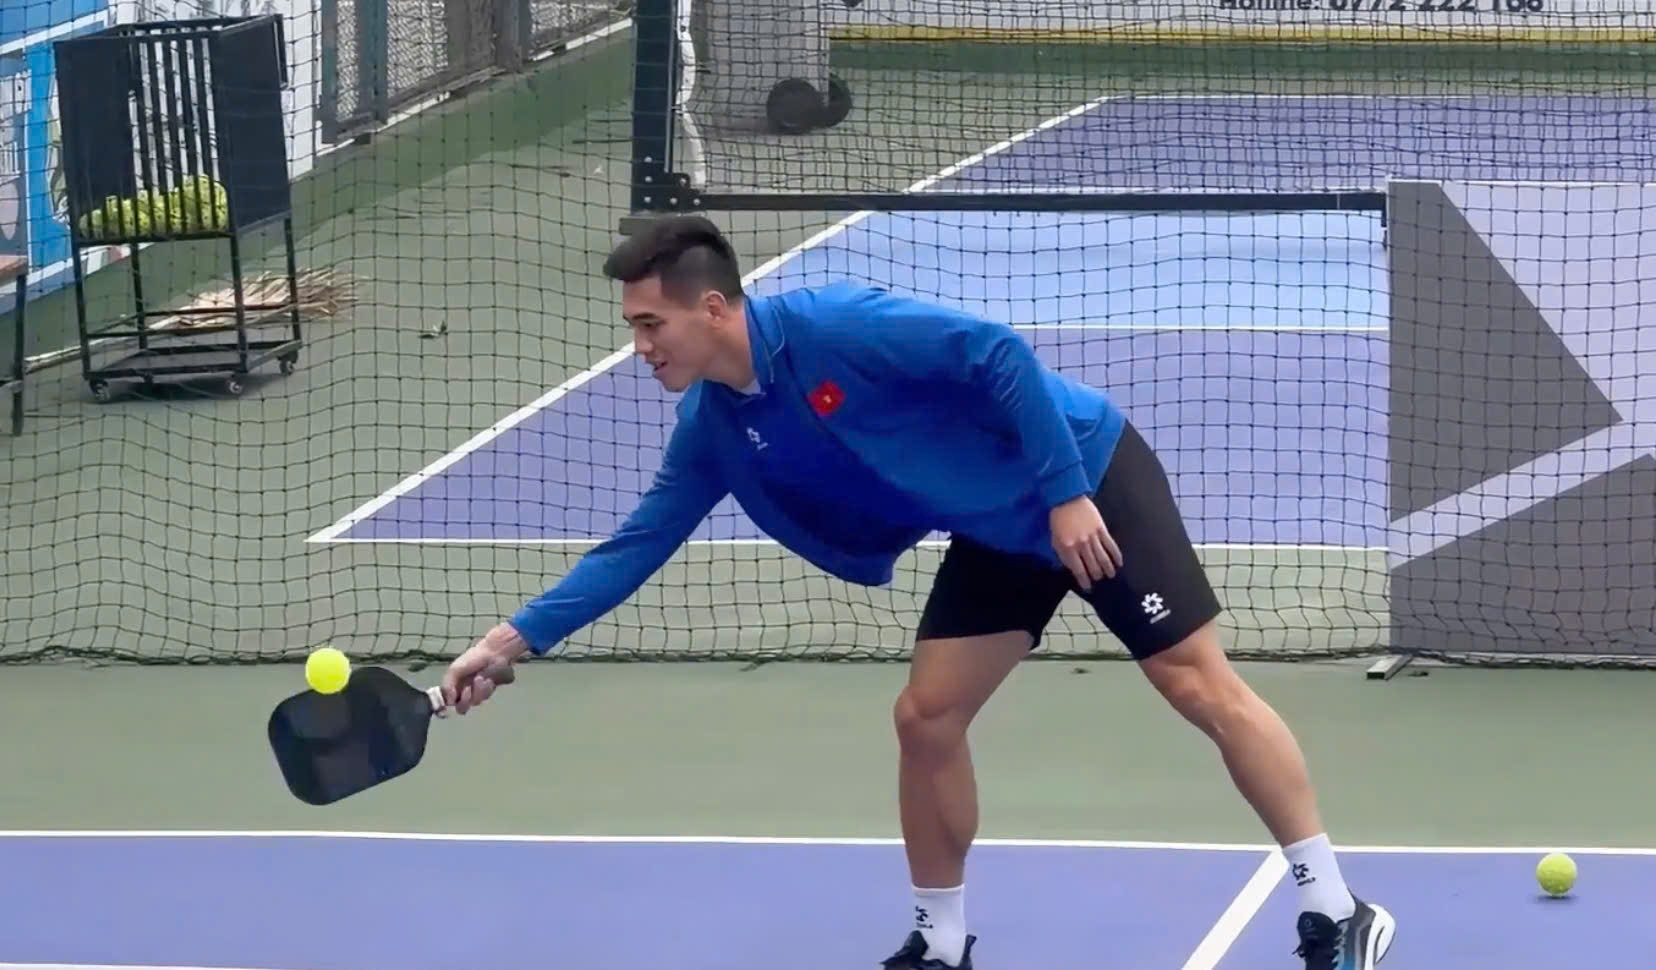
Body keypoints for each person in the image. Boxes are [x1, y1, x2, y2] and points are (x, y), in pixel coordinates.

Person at [441, 214, 1396, 970]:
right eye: (634, 328)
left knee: (1194, 683)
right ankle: (941, 943)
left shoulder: (836, 327)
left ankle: (1335, 907)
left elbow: (1000, 353)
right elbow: (638, 543)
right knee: (926, 718)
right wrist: (509, 640)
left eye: (650, 325)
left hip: (1080, 477)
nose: (639, 347)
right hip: (997, 530)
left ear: (715, 309)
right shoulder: (713, 428)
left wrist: (1066, 495)